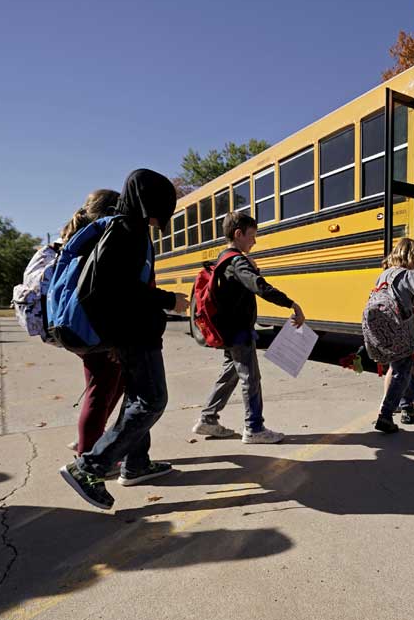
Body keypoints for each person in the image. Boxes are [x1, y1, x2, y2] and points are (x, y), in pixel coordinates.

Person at [58, 169, 188, 511]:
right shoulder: (125, 231)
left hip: (137, 332)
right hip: (135, 335)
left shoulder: (133, 230)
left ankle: (136, 464)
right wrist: (167, 300)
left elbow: (123, 286)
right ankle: (88, 467)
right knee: (151, 401)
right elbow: (104, 290)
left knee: (136, 400)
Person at [192, 211, 305, 443]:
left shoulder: (223, 258)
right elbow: (258, 286)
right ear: (238, 234)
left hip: (228, 330)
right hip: (238, 332)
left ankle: (208, 419)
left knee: (230, 375)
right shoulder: (237, 260)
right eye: (252, 235)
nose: (254, 240)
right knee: (250, 378)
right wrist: (291, 303)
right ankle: (254, 427)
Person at [58, 190, 126, 465]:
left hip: (79, 327)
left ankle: (91, 440)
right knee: (101, 390)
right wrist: (114, 338)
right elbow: (105, 295)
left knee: (112, 385)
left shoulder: (82, 239)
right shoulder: (101, 241)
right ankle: (88, 459)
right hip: (97, 329)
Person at [372, 238, 414, 433]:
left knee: (400, 367)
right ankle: (385, 415)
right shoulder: (409, 275)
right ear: (412, 256)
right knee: (403, 371)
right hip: (400, 330)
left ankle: (408, 408)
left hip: (382, 329)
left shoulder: (384, 274)